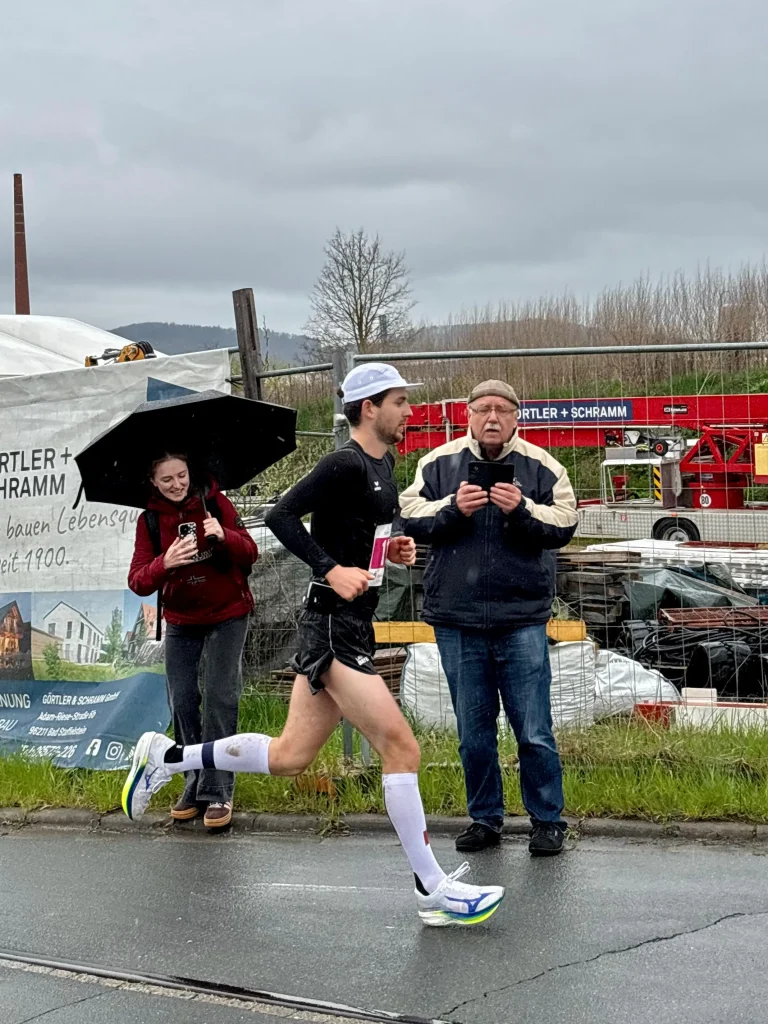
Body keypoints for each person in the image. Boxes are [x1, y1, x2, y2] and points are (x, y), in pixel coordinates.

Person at [123, 364, 504, 927]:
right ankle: (432, 887)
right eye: (400, 401)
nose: (409, 411)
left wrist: (390, 550)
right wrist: (330, 570)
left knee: (289, 756)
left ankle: (169, 755)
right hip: (331, 624)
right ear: (369, 407)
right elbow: (280, 516)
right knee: (402, 748)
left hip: (350, 622)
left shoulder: (383, 463)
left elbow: (376, 526)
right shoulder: (342, 462)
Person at [397, 380, 578, 855]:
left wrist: (521, 509)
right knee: (473, 732)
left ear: (518, 416)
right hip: (456, 618)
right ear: (468, 415)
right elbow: (409, 514)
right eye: (483, 410)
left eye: (502, 409)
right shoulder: (437, 462)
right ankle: (485, 819)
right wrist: (452, 509)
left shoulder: (544, 465)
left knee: (534, 729)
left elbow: (565, 524)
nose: (492, 418)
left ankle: (547, 820)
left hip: (521, 617)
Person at [128, 453, 258, 830]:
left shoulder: (215, 503)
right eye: (166, 479)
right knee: (182, 699)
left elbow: (251, 552)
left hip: (229, 612)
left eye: (181, 475)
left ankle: (219, 788)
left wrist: (225, 535)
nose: (176, 484)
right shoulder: (149, 521)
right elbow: (138, 580)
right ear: (153, 482)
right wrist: (164, 562)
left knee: (220, 696)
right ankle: (193, 782)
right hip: (183, 620)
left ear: (190, 474)